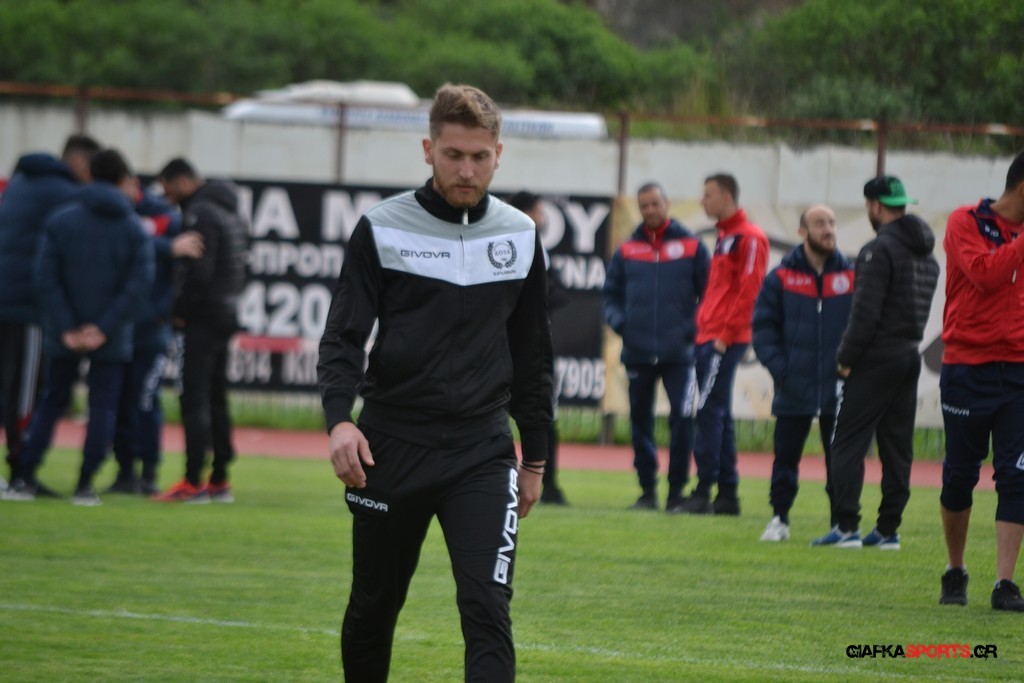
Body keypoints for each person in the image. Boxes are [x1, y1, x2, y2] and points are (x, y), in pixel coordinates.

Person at [317, 83, 553, 682]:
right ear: (429, 150)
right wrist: (339, 421)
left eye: (479, 156)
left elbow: (533, 358)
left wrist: (535, 459)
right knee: (374, 608)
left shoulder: (521, 234)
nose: (467, 170)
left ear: (498, 155)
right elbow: (343, 337)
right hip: (390, 449)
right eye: (453, 155)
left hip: (482, 453)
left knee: (487, 607)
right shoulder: (380, 227)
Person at [2, 149, 154, 505]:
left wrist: (67, 326)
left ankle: (24, 477)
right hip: (110, 336)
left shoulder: (61, 220)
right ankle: (85, 484)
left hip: (64, 333)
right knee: (102, 408)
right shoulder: (134, 228)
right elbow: (138, 285)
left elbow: (46, 276)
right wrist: (104, 328)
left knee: (50, 402)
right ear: (122, 180)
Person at [811, 175, 939, 548]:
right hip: (909, 355)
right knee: (897, 448)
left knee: (846, 442)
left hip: (875, 357)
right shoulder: (926, 254)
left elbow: (865, 314)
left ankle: (846, 526)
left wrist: (845, 359)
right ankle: (888, 530)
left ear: (875, 205)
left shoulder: (877, 250)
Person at [938, 151, 1024, 611]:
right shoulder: (965, 221)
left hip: (1019, 371)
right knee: (959, 475)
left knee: (1017, 475)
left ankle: (1004, 583)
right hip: (967, 368)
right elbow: (986, 274)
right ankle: (955, 570)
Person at [0, 134, 100, 494]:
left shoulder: (22, 182)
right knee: (26, 391)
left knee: (7, 388)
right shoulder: (64, 192)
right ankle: (20, 471)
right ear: (79, 163)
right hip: (26, 304)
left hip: (5, 297)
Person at [603, 182, 710, 512]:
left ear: (667, 203)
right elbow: (610, 297)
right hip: (637, 351)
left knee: (682, 420)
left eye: (654, 204)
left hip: (680, 353)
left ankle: (676, 491)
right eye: (644, 205)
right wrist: (623, 324)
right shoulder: (626, 250)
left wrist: (689, 330)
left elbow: (709, 296)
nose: (649, 210)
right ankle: (647, 491)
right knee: (640, 422)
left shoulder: (692, 247)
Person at [752, 204, 854, 541]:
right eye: (819, 223)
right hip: (793, 383)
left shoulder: (852, 275)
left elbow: (864, 325)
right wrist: (782, 371)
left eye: (832, 222)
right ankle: (779, 519)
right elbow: (763, 329)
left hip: (838, 385)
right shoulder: (780, 277)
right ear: (802, 232)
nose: (828, 229)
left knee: (839, 459)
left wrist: (850, 368)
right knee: (785, 458)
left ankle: (842, 524)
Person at [152, 158, 248, 503]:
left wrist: (179, 312)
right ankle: (219, 479)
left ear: (180, 181)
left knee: (193, 397)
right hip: (225, 312)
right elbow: (242, 266)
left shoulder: (200, 212)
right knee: (216, 396)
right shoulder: (231, 211)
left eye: (168, 189)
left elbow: (199, 271)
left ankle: (193, 481)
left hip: (202, 317)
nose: (167, 197)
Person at [679, 173, 768, 515]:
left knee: (708, 412)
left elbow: (749, 294)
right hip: (709, 336)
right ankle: (727, 494)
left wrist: (723, 337)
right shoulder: (726, 236)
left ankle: (703, 491)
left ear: (727, 197)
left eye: (708, 195)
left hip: (722, 340)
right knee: (717, 414)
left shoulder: (749, 237)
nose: (703, 201)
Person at [106, 182, 203, 495]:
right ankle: (125, 472)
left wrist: (164, 313)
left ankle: (148, 473)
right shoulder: (118, 219)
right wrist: (166, 247)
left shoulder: (166, 218)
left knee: (145, 401)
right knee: (121, 402)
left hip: (152, 331)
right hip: (121, 329)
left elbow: (182, 267)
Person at [508, 190, 570, 506]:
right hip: (525, 346)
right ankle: (549, 484)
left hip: (506, 345)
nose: (543, 218)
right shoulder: (526, 244)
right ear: (526, 213)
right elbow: (551, 293)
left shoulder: (524, 244)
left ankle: (545, 483)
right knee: (540, 412)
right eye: (539, 211)